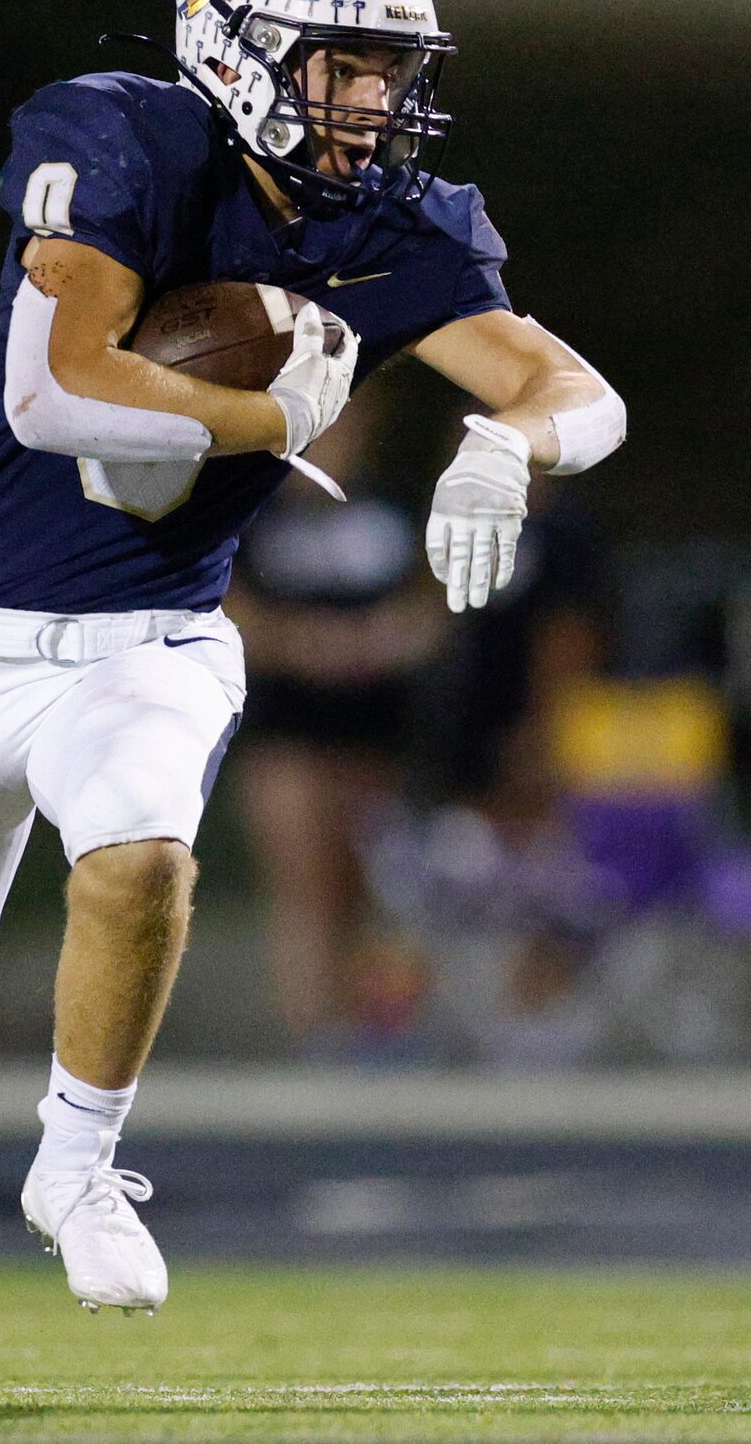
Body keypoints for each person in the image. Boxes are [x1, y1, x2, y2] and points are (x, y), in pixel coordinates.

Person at [0, 0, 624, 1394]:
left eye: (391, 71)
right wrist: (271, 416)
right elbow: (54, 392)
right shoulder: (123, 141)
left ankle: (76, 1165)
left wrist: (509, 450)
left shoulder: (402, 228)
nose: (377, 104)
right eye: (344, 64)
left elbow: (574, 388)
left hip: (154, 631)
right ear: (240, 46)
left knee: (142, 856)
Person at [223, 385, 444, 1052]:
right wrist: (307, 647)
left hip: (373, 729)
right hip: (284, 728)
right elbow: (225, 604)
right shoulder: (256, 510)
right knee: (305, 885)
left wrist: (391, 638)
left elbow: (433, 603)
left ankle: (373, 1032)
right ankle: (314, 1033)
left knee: (370, 887)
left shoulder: (388, 509)